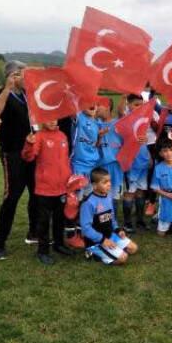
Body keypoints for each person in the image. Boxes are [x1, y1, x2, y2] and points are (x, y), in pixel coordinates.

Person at [0, 61, 39, 261]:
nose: (27, 78)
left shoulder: (26, 95)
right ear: (13, 75)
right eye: (23, 74)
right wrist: (7, 87)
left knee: (36, 193)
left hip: (31, 152)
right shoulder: (1, 94)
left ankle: (33, 232)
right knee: (12, 197)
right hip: (12, 154)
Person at [21, 119, 74, 265]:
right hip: (45, 188)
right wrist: (29, 144)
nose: (52, 121)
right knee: (43, 221)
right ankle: (42, 251)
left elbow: (65, 160)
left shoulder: (62, 136)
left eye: (55, 118)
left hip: (62, 187)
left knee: (59, 218)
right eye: (48, 118)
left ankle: (59, 244)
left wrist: (68, 178)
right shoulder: (39, 136)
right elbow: (28, 156)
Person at [80, 167, 138, 265]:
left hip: (110, 236)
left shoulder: (108, 197)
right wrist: (102, 240)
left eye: (109, 181)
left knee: (133, 248)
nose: (109, 184)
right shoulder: (88, 203)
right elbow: (86, 229)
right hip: (96, 241)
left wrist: (117, 230)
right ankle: (92, 252)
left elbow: (112, 218)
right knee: (123, 258)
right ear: (94, 185)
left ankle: (113, 249)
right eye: (105, 182)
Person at [66, 102, 101, 248]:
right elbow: (71, 109)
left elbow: (94, 144)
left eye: (95, 103)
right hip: (79, 167)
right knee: (73, 203)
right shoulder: (78, 117)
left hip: (91, 167)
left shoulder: (96, 122)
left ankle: (81, 232)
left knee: (85, 203)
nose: (92, 105)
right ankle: (70, 235)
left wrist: (99, 137)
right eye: (89, 102)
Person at [122, 94, 151, 232]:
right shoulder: (125, 119)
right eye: (136, 105)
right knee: (129, 193)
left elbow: (145, 139)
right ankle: (127, 223)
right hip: (131, 163)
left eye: (141, 105)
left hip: (143, 161)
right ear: (128, 104)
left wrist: (149, 156)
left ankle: (140, 220)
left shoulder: (143, 119)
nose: (139, 108)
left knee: (141, 192)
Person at [150, 139, 172, 237]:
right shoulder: (158, 168)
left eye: (171, 150)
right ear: (161, 153)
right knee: (161, 234)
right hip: (166, 199)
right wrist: (169, 195)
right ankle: (159, 219)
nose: (169, 153)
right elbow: (155, 187)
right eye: (165, 151)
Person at [96, 97, 124, 216]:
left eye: (98, 106)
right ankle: (101, 220)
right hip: (100, 166)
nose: (96, 108)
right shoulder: (94, 123)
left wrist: (124, 97)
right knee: (100, 194)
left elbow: (123, 113)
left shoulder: (118, 123)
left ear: (107, 107)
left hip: (116, 166)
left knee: (115, 195)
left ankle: (113, 222)